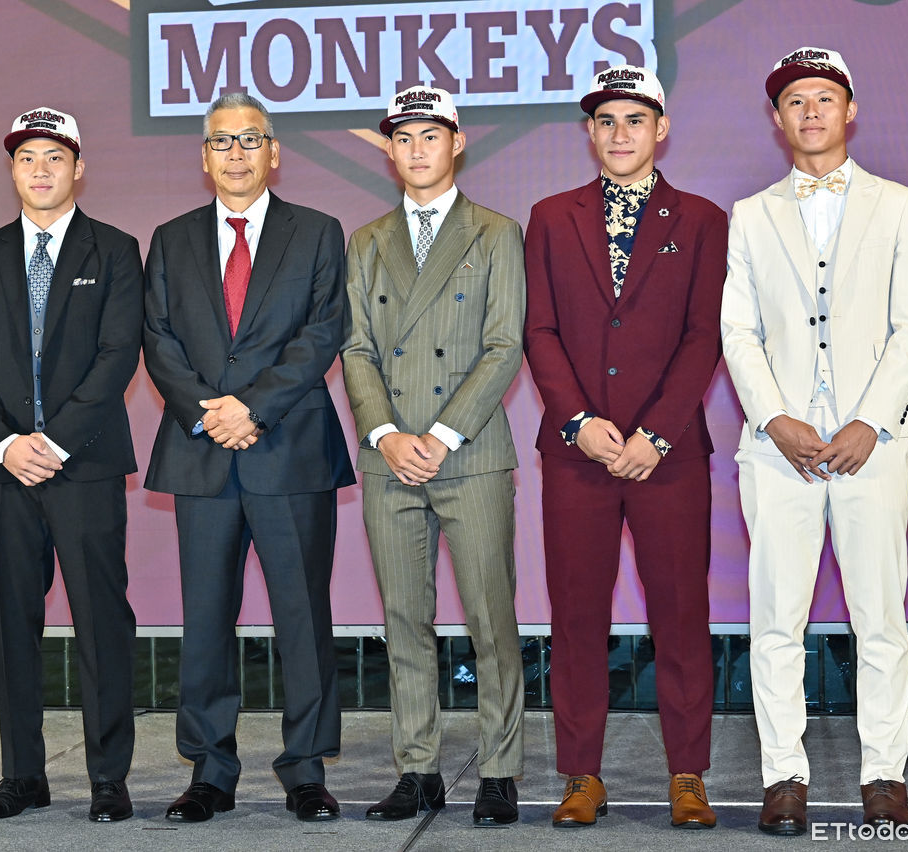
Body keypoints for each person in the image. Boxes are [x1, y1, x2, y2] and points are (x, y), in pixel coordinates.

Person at [721, 46, 908, 834]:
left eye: (824, 98)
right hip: (778, 451)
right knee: (777, 618)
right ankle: (783, 776)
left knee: (879, 617)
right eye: (795, 101)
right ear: (777, 119)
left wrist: (868, 422)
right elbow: (738, 331)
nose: (810, 112)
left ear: (850, 111)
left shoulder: (898, 205)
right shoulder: (751, 214)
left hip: (873, 446)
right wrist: (775, 419)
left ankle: (883, 775)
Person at [523, 66, 726, 830]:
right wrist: (578, 421)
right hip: (578, 455)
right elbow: (539, 329)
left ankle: (688, 775)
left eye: (635, 120)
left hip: (668, 458)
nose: (619, 134)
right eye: (605, 121)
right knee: (577, 619)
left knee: (681, 615)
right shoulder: (551, 216)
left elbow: (704, 335)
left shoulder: (701, 219)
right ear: (589, 132)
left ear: (661, 129)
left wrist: (657, 433)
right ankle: (582, 775)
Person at [143, 92, 354, 824]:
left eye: (250, 140)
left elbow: (323, 332)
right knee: (205, 618)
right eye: (221, 142)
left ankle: (306, 769)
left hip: (289, 449)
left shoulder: (317, 232)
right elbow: (158, 338)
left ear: (274, 152)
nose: (235, 154)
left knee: (303, 617)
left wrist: (252, 409)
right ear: (204, 157)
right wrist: (212, 413)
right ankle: (210, 769)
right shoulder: (170, 238)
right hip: (203, 451)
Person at [0, 108, 143, 822]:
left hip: (83, 465)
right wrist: (6, 443)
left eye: (54, 157)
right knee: (11, 626)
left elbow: (118, 355)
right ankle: (22, 775)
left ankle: (108, 777)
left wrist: (54, 442)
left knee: (101, 623)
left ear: (78, 169)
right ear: (12, 170)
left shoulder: (115, 250)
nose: (40, 169)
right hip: (5, 472)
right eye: (27, 157)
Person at [341, 86, 526, 827]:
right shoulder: (367, 240)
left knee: (491, 618)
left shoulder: (497, 232)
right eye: (403, 138)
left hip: (469, 451)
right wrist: (386, 434)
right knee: (404, 618)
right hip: (390, 459)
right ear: (389, 150)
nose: (416, 149)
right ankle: (417, 769)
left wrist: (441, 434)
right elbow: (356, 348)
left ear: (458, 143)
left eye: (430, 135)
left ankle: (500, 771)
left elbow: (504, 344)